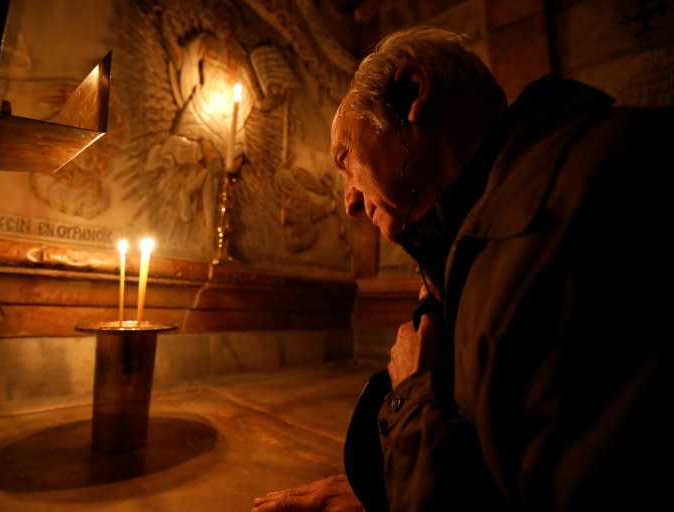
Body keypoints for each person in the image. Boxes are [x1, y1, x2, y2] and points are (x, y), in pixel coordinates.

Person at [252, 25, 673, 512]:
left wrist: (413, 399)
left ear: (411, 93)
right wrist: (383, 489)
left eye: (345, 159)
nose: (348, 201)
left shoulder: (569, 219)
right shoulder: (486, 238)